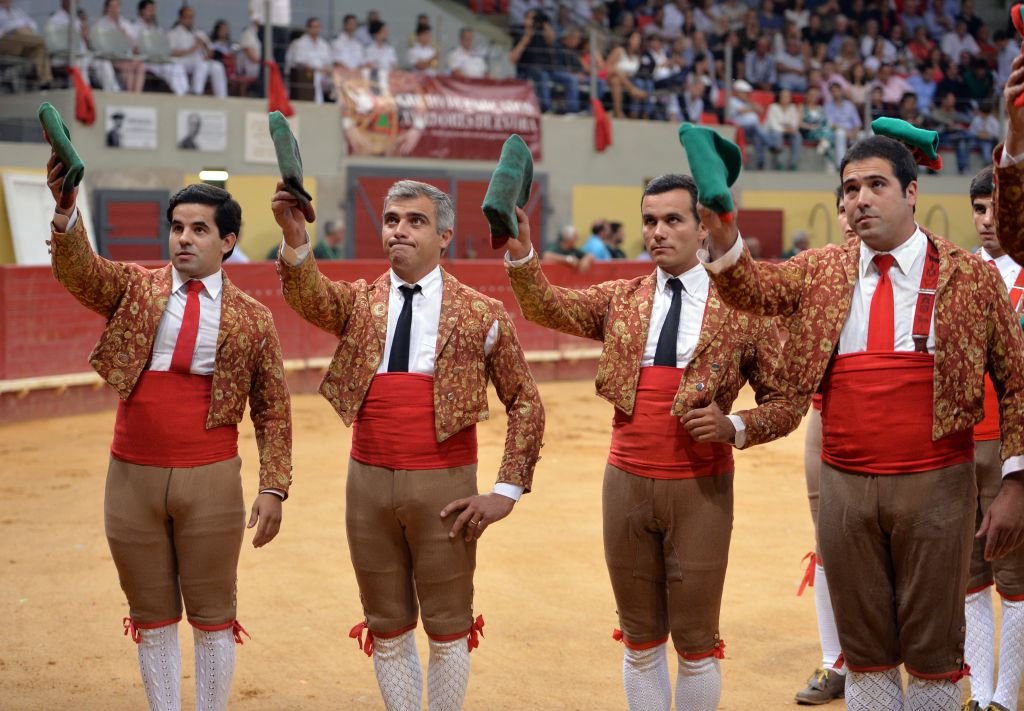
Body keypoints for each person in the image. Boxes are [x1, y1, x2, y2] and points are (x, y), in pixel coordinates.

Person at [700, 134, 1024, 711]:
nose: (860, 199)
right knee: (866, 647)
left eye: (876, 185)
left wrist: (1017, 483)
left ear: (912, 192)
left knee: (933, 649)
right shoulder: (821, 270)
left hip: (937, 486)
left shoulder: (969, 277)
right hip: (845, 487)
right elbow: (751, 288)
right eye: (850, 189)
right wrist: (723, 228)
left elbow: (1017, 382)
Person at [504, 173, 801, 711]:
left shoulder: (743, 307)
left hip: (700, 487)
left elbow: (785, 402)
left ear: (703, 227)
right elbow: (547, 306)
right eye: (649, 220)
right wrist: (524, 254)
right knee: (639, 637)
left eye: (672, 220)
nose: (657, 231)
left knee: (696, 641)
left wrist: (734, 427)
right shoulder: (624, 298)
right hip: (625, 483)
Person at [272, 179, 543, 711]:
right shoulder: (358, 302)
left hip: (445, 485)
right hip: (366, 483)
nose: (399, 229)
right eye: (392, 219)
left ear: (444, 236)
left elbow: (526, 402)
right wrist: (295, 235)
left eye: (415, 221)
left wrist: (507, 490)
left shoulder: (481, 313)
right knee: (386, 622)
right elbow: (305, 293)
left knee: (448, 624)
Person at [44, 150, 291, 711]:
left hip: (211, 477)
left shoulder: (253, 318)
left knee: (212, 615)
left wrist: (274, 486)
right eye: (177, 227)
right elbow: (79, 271)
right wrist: (66, 210)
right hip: (131, 475)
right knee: (151, 615)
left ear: (227, 241)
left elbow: (273, 409)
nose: (184, 239)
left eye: (199, 229)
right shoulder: (134, 288)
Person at [962, 165, 1024, 711]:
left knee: (1016, 579)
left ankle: (1005, 697)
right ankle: (980, 695)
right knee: (971, 577)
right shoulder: (958, 276)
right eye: (979, 209)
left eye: (997, 209)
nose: (987, 220)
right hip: (960, 445)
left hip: (1014, 448)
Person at [792, 186, 855, 706]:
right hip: (824, 414)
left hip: (895, 424)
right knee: (827, 541)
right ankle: (836, 659)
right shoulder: (818, 271)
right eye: (843, 205)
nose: (852, 213)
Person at [45, 0, 120, 92]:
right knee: (80, 61)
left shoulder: (76, 19)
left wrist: (86, 37)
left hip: (82, 54)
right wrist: (77, 36)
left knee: (103, 60)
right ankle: (85, 92)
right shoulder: (55, 20)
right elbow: (56, 43)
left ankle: (112, 91)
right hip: (63, 56)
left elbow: (85, 44)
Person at [168, 5, 227, 97]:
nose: (190, 20)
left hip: (199, 60)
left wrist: (204, 46)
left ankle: (222, 97)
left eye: (192, 17)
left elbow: (211, 53)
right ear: (181, 18)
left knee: (217, 66)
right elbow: (171, 52)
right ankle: (196, 94)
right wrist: (191, 49)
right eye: (187, 17)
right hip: (182, 61)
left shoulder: (199, 32)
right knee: (202, 65)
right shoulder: (173, 33)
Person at [0, 0, 53, 87]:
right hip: (6, 41)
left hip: (23, 41)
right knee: (39, 42)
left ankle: (45, 81)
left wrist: (24, 28)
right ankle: (42, 40)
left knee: (40, 49)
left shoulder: (17, 11)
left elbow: (32, 24)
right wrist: (17, 28)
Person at [286, 17, 333, 103]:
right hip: (306, 75)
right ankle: (318, 103)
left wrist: (326, 70)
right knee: (315, 77)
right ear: (308, 28)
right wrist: (316, 69)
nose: (316, 29)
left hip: (324, 75)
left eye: (318, 27)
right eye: (313, 27)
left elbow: (329, 62)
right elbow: (299, 62)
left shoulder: (324, 44)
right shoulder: (299, 43)